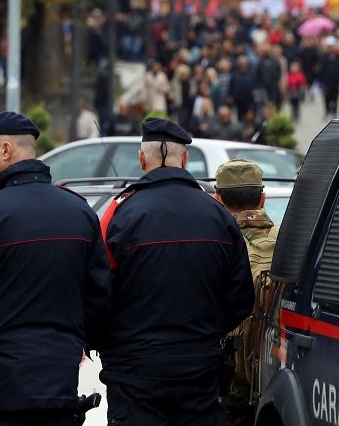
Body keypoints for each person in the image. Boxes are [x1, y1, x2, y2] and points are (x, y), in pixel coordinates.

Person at [98, 118, 254, 426]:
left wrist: (114, 346)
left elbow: (96, 292)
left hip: (135, 373)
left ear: (143, 159)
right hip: (198, 370)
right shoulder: (217, 215)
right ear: (185, 159)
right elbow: (240, 297)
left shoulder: (118, 213)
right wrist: (204, 334)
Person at [0, 111, 111, 425]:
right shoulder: (79, 210)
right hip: (60, 376)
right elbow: (98, 293)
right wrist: (75, 341)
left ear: (6, 150)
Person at [213, 159, 279, 426]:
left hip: (231, 392)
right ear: (262, 199)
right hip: (280, 385)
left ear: (218, 199)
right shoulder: (291, 243)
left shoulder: (214, 247)